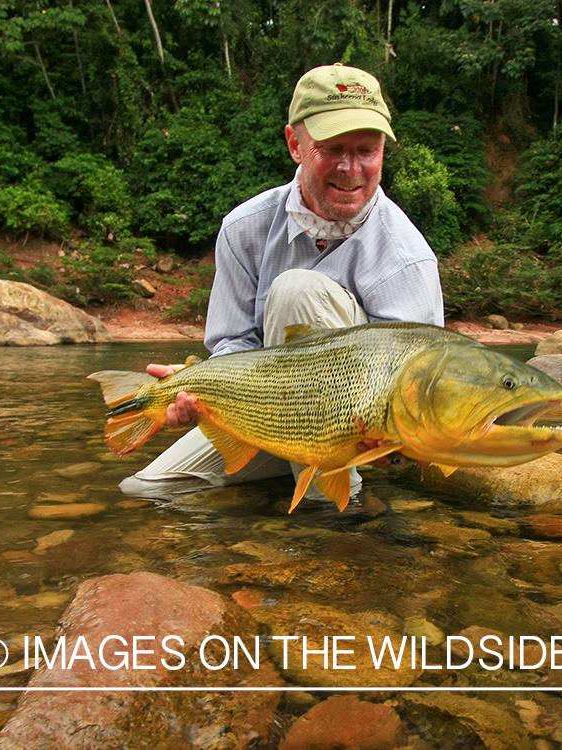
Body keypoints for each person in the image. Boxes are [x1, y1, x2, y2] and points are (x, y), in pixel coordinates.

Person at [119, 63, 444, 501]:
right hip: (267, 416)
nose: (351, 169)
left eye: (367, 150)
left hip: (359, 440)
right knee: (148, 490)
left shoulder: (407, 258)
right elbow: (233, 346)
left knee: (296, 291)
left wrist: (397, 453)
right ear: (295, 143)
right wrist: (200, 391)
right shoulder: (243, 229)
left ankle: (334, 516)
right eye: (332, 148)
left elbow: (422, 395)